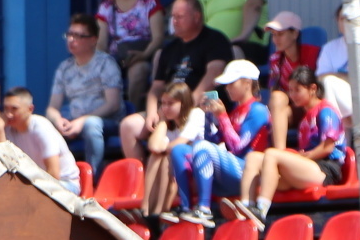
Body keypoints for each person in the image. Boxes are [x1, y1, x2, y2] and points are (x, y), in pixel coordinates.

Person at [118, 0, 231, 162]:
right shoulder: (169, 49)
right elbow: (156, 88)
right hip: (168, 108)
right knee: (128, 126)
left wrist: (186, 104)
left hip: (199, 109)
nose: (174, 21)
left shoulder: (215, 40)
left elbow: (213, 74)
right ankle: (140, 181)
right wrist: (151, 114)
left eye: (180, 17)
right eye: (173, 17)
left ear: (196, 17)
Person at [239, 66, 345, 226]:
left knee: (272, 154)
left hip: (326, 170)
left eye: (297, 90)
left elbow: (327, 147)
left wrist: (304, 156)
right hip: (306, 168)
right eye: (290, 90)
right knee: (253, 157)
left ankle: (261, 210)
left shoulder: (326, 111)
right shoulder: (305, 117)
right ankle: (246, 207)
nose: (292, 95)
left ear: (313, 89)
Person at [185, 58, 270, 223]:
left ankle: (204, 208)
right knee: (185, 152)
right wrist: (209, 117)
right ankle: (183, 207)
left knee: (201, 147)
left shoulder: (258, 110)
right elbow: (213, 141)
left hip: (249, 173)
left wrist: (222, 116)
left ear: (247, 83)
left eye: (232, 83)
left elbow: (237, 147)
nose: (227, 88)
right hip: (233, 167)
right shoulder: (236, 111)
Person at [48, 15, 123, 178]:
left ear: (93, 40)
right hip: (74, 120)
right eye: (70, 35)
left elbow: (113, 104)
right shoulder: (64, 68)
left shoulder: (106, 63)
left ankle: (93, 179)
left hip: (105, 122)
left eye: (79, 36)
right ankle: (56, 179)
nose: (71, 40)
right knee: (46, 128)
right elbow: (53, 107)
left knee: (91, 125)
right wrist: (58, 120)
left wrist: (82, 121)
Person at [0, 84, 81, 194]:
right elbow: (3, 166)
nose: (9, 114)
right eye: (6, 109)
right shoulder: (9, 130)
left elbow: (53, 173)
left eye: (14, 109)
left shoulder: (41, 127)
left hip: (64, 184)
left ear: (30, 109)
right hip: (34, 185)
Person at [96, 0, 163, 105]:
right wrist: (103, 62)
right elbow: (101, 42)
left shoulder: (149, 0)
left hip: (143, 54)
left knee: (139, 72)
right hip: (116, 57)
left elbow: (158, 37)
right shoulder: (106, 6)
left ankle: (134, 114)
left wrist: (144, 54)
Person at [143, 81, 206, 221]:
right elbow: (154, 147)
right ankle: (147, 209)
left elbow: (177, 145)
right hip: (180, 175)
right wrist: (163, 121)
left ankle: (157, 212)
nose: (165, 108)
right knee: (156, 157)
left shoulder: (196, 114)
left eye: (170, 104)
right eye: (163, 103)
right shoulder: (169, 125)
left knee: (167, 157)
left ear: (183, 103)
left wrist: (163, 148)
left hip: (200, 174)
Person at [316, 4, 360, 121]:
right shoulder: (329, 48)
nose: (345, 23)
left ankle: (339, 136)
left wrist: (334, 77)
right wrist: (347, 77)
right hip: (337, 99)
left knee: (329, 84)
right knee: (328, 86)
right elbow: (320, 79)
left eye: (349, 19)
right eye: (342, 19)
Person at [263, 11, 319, 96]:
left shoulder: (314, 53)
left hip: (310, 101)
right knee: (277, 96)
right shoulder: (275, 58)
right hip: (288, 100)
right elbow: (273, 89)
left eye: (281, 34)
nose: (276, 39)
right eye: (273, 34)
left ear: (295, 34)